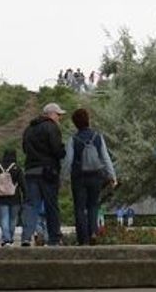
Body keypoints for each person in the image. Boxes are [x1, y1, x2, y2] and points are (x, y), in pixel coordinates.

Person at [63, 107, 118, 245]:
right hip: (96, 177)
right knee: (93, 205)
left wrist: (63, 178)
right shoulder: (98, 137)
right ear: (88, 121)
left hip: (79, 177)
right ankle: (93, 232)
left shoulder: (73, 139)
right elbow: (105, 158)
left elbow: (68, 160)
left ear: (75, 123)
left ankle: (83, 239)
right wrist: (112, 175)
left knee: (80, 208)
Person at [21, 101, 67, 246]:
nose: (59, 118)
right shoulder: (51, 127)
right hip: (48, 172)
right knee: (51, 205)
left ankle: (26, 237)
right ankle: (54, 238)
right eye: (58, 115)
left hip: (30, 171)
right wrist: (63, 151)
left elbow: (24, 149)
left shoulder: (28, 129)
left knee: (31, 205)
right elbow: (57, 150)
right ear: (51, 114)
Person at [0, 148, 22, 246]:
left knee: (4, 218)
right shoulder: (17, 168)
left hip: (1, 197)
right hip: (15, 197)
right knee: (13, 219)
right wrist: (26, 195)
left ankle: (6, 239)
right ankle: (10, 237)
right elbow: (22, 183)